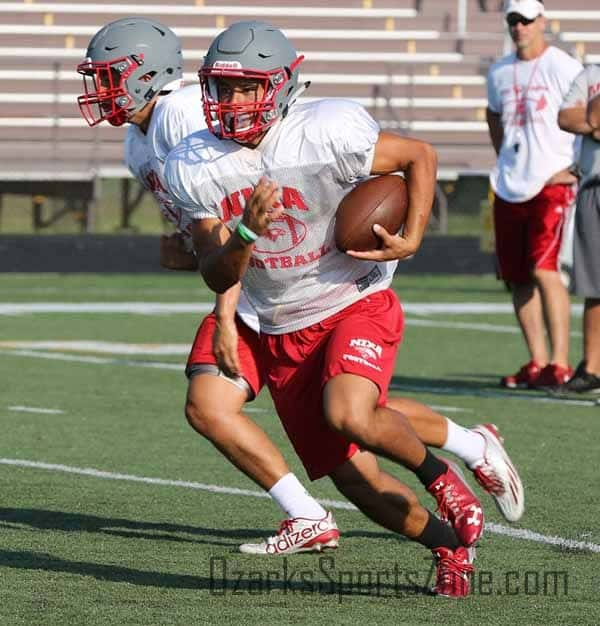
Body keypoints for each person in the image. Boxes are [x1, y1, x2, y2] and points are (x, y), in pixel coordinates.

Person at [78, 19, 524, 575]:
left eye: (249, 87)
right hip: (268, 308)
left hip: (345, 296)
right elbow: (216, 262)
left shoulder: (323, 129)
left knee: (349, 412)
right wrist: (231, 239)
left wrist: (410, 235)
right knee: (354, 475)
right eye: (223, 87)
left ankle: (438, 477)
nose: (232, 101)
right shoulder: (185, 157)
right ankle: (450, 544)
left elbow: (416, 156)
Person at [486, 0, 582, 388]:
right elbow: (493, 115)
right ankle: (537, 361)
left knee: (545, 268)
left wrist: (575, 167)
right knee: (517, 276)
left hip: (552, 182)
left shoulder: (563, 65)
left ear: (542, 21)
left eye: (526, 19)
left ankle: (559, 362)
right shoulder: (498, 71)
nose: (520, 27)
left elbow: (588, 109)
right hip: (510, 182)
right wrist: (505, 158)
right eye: (513, 20)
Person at [556, 65, 600, 394]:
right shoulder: (591, 74)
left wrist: (591, 122)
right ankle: (592, 367)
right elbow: (566, 118)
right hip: (593, 186)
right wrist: (592, 124)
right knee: (594, 283)